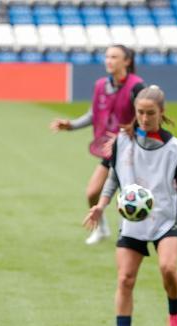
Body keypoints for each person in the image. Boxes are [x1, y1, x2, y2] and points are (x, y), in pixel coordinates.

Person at [83, 86, 177, 326]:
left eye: (150, 113)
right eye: (140, 113)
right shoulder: (122, 142)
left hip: (165, 218)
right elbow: (113, 178)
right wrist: (100, 206)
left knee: (168, 268)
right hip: (133, 221)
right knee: (125, 278)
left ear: (161, 113)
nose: (145, 118)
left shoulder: (175, 149)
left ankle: (175, 314)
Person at [50, 44, 145, 245]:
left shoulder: (137, 87)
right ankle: (102, 229)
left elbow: (147, 118)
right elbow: (94, 114)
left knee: (130, 196)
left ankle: (137, 233)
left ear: (126, 61)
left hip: (134, 151)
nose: (109, 61)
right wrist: (71, 125)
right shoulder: (101, 85)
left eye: (114, 57)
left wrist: (127, 135)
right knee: (92, 193)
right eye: (107, 57)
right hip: (110, 151)